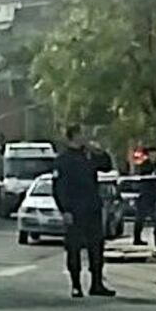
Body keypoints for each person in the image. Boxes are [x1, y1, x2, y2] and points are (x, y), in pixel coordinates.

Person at [53, 125, 116, 299]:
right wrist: (64, 209)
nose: (84, 137)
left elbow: (106, 166)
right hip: (74, 209)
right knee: (74, 248)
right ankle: (76, 285)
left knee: (96, 246)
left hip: (92, 207)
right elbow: (59, 187)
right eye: (81, 134)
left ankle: (97, 283)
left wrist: (99, 151)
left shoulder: (89, 156)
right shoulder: (63, 160)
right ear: (73, 136)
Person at [132, 147, 156, 246]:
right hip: (145, 193)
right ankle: (137, 238)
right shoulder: (145, 164)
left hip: (153, 193)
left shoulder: (154, 164)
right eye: (153, 153)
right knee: (140, 217)